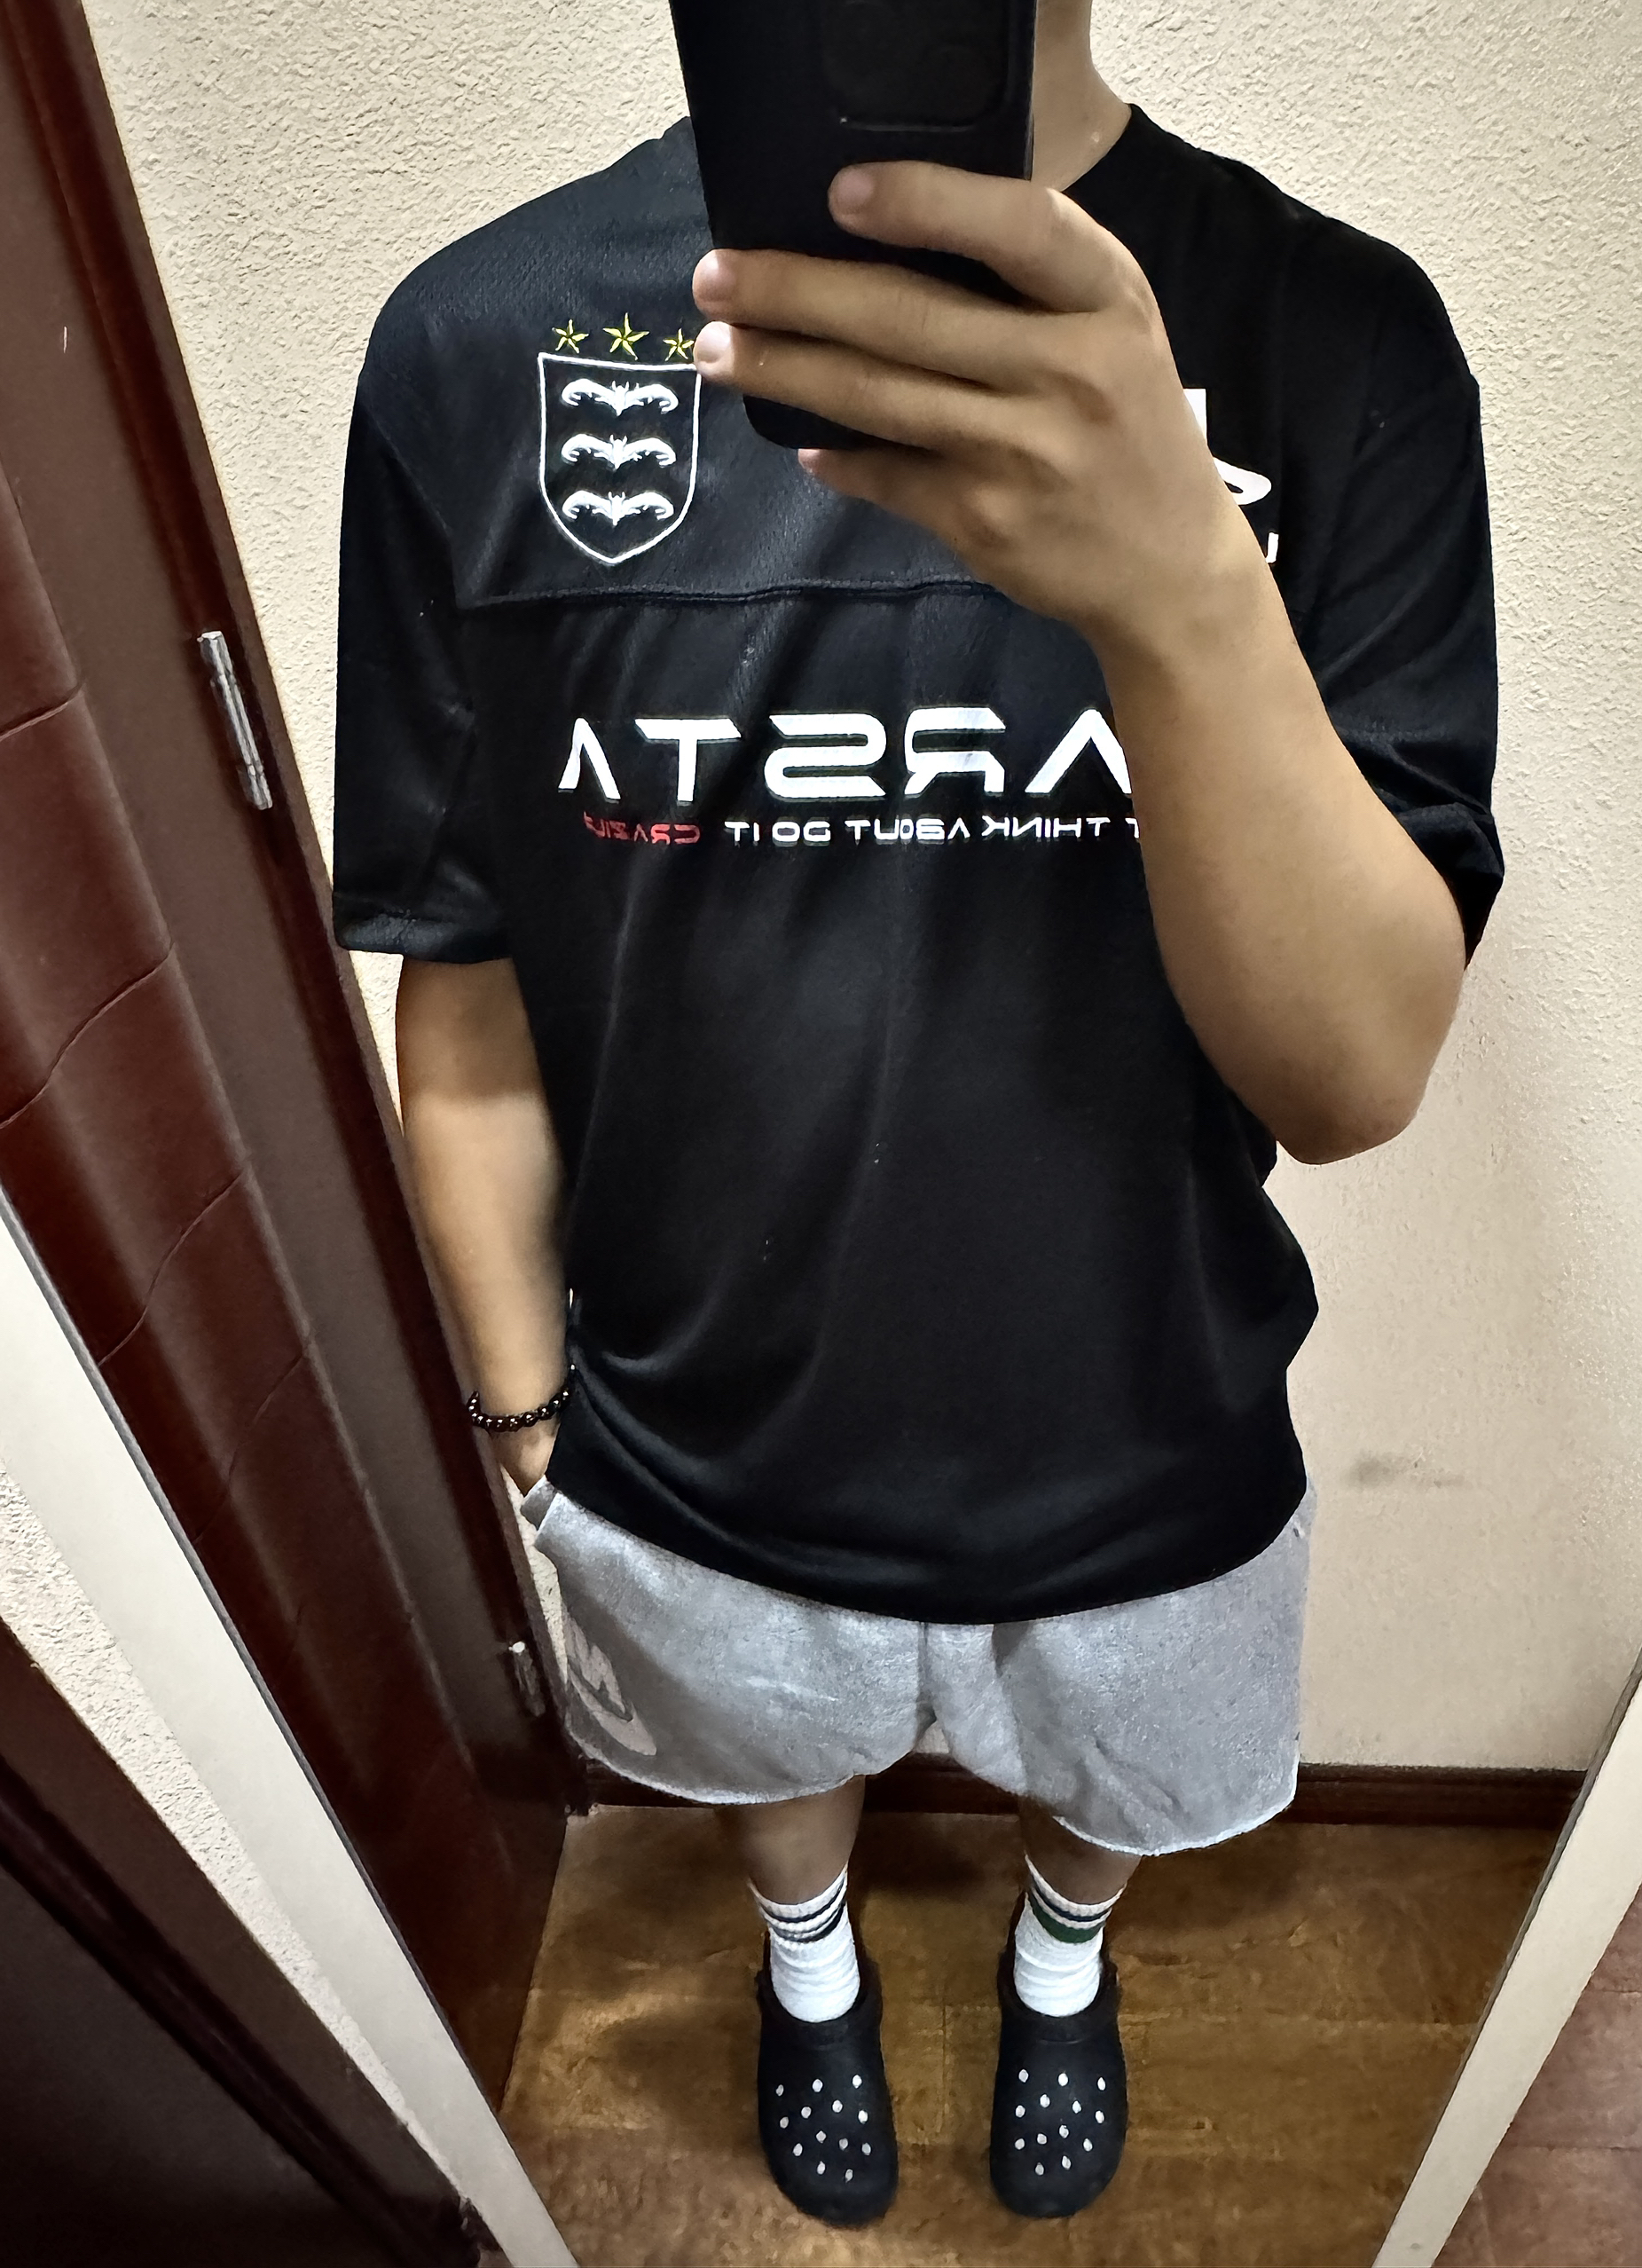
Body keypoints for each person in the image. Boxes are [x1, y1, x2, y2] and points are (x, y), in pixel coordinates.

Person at [334, 0, 1498, 2227]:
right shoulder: (482, 346)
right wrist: (528, 1432)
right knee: (765, 1769)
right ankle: (808, 1961)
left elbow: (1351, 1076)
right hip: (698, 1439)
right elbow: (462, 968)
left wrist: (1180, 586)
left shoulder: (1337, 339)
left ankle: (1059, 1961)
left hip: (1146, 1419)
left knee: (1113, 1784)